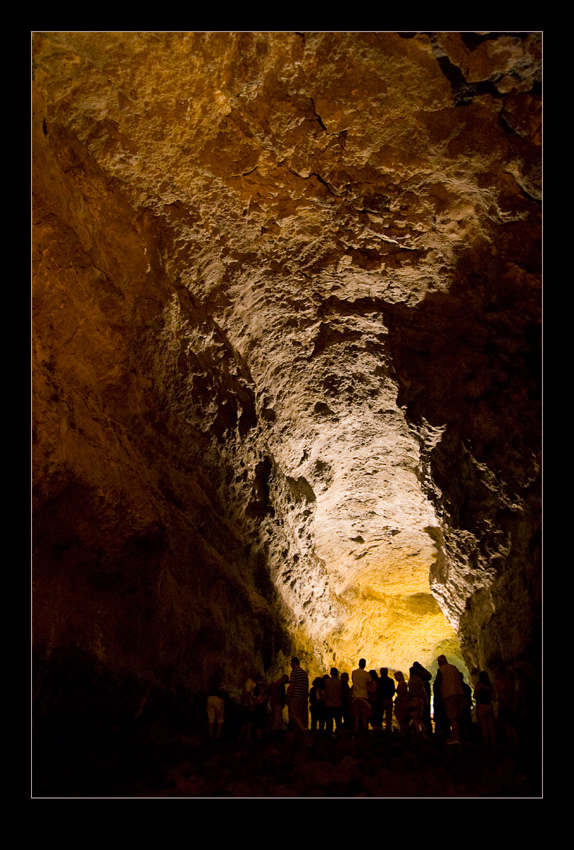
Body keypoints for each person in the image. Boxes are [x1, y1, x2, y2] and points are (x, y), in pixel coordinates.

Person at [436, 655, 465, 744]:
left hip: (449, 694)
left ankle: (456, 739)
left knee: (452, 718)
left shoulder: (441, 670)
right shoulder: (454, 668)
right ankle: (458, 736)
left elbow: (438, 684)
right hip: (460, 694)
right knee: (458, 717)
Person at [286, 657, 309, 739]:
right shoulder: (304, 673)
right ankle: (297, 733)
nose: (291, 665)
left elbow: (292, 686)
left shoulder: (294, 672)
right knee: (299, 715)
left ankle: (303, 730)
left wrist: (288, 698)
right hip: (303, 697)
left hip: (295, 696)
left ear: (294, 663)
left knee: (293, 714)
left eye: (291, 663)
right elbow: (306, 687)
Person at [474, 671, 496, 749]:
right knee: (491, 726)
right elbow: (493, 698)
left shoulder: (478, 685)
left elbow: (475, 696)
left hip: (481, 706)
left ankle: (486, 743)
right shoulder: (490, 686)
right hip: (489, 705)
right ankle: (493, 743)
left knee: (483, 725)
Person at [351, 658, 372, 734]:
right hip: (364, 697)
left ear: (358, 664)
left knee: (356, 718)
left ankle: (356, 734)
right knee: (364, 718)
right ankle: (365, 734)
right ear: (365, 665)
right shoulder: (367, 674)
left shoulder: (354, 673)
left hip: (355, 696)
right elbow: (369, 686)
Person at [411, 661, 433, 735]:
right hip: (424, 699)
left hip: (417, 699)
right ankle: (426, 730)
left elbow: (412, 691)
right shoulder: (424, 680)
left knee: (417, 716)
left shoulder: (415, 680)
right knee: (424, 715)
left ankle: (418, 731)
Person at [407, 666, 429, 735]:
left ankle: (418, 732)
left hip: (415, 700)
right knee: (420, 718)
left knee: (415, 717)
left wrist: (408, 698)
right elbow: (423, 691)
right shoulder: (420, 680)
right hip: (421, 700)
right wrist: (426, 699)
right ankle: (424, 731)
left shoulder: (412, 680)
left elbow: (411, 691)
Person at [323, 668, 343, 735]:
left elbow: (326, 692)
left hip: (329, 704)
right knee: (338, 722)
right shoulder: (340, 682)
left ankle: (329, 737)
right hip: (338, 704)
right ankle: (339, 736)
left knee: (329, 723)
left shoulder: (327, 681)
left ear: (331, 673)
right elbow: (340, 692)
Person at [206, 674, 227, 741]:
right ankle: (218, 736)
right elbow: (220, 690)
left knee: (211, 719)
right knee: (219, 718)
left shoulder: (211, 682)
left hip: (210, 698)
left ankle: (211, 737)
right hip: (217, 699)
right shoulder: (220, 682)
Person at [379, 668, 396, 733]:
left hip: (381, 700)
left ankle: (380, 730)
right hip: (389, 699)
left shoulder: (379, 680)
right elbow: (393, 690)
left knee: (380, 716)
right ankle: (388, 730)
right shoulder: (391, 680)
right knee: (389, 717)